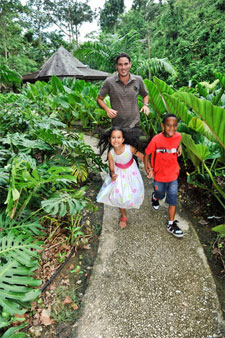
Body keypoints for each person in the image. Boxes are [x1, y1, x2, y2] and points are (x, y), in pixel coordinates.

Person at [97, 52, 150, 151]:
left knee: (133, 159)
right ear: (116, 66)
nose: (123, 67)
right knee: (117, 159)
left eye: (126, 64)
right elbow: (99, 99)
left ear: (130, 64)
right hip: (117, 128)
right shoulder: (109, 82)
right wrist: (107, 109)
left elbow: (145, 94)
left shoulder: (138, 80)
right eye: (120, 64)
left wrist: (145, 105)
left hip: (133, 127)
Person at [144, 114, 184, 238]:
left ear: (177, 126)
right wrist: (148, 168)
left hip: (173, 175)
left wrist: (179, 147)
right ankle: (155, 197)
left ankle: (171, 224)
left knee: (173, 199)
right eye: (168, 125)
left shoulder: (178, 136)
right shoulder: (156, 139)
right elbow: (146, 154)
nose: (171, 128)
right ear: (163, 126)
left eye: (174, 125)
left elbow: (176, 143)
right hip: (159, 176)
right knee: (160, 194)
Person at [97, 127, 144, 229]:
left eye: (118, 137)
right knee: (120, 195)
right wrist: (112, 174)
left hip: (131, 172)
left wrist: (149, 168)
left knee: (133, 192)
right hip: (119, 173)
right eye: (113, 137)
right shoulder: (111, 153)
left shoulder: (129, 148)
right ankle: (123, 215)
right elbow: (111, 168)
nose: (116, 140)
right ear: (109, 139)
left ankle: (131, 202)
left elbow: (142, 156)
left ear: (123, 139)